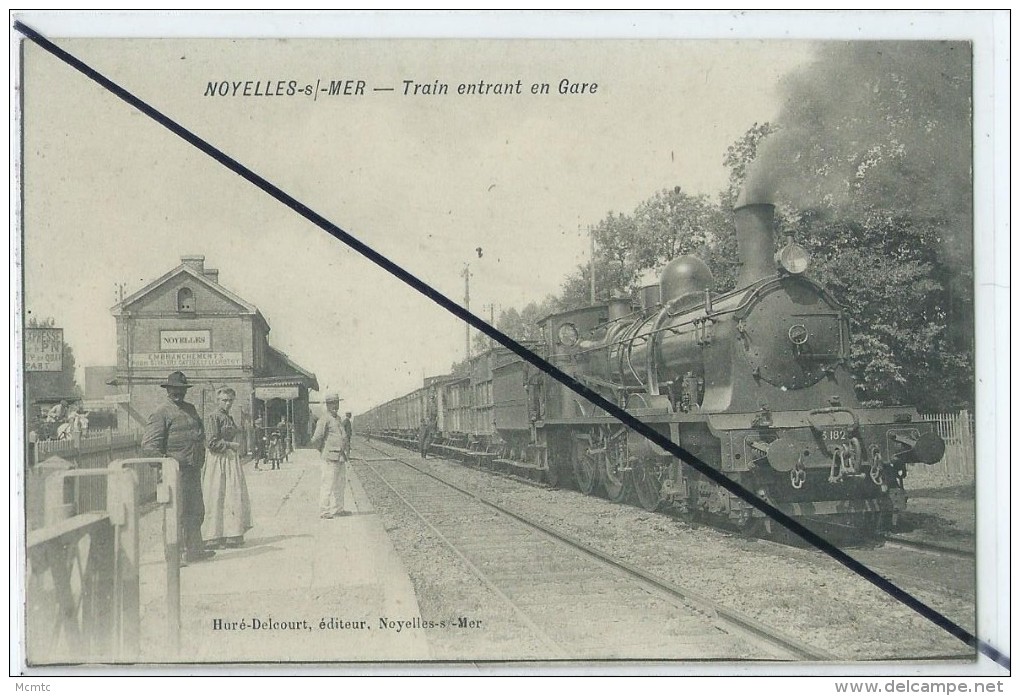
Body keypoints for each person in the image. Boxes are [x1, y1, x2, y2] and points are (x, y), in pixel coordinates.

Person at [142, 371, 213, 564]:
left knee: (196, 511)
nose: (178, 393)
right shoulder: (160, 413)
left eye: (181, 390)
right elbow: (149, 447)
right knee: (176, 513)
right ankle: (176, 555)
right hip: (174, 473)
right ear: (168, 390)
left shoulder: (190, 409)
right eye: (174, 389)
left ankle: (195, 550)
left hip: (192, 469)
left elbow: (200, 434)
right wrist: (166, 466)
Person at [201, 387, 253, 549]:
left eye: (230, 400)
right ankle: (212, 537)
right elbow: (211, 442)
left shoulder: (228, 417)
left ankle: (231, 534)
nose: (228, 403)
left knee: (232, 495)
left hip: (230, 460)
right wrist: (230, 444)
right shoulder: (212, 417)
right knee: (216, 495)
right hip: (217, 460)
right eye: (224, 400)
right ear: (218, 401)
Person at [309, 393, 350, 519]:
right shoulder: (324, 419)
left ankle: (339, 509)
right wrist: (323, 450)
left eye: (336, 403)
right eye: (332, 403)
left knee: (340, 484)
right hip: (329, 458)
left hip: (340, 457)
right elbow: (316, 438)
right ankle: (324, 511)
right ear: (327, 405)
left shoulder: (338, 419)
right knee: (327, 484)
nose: (335, 406)